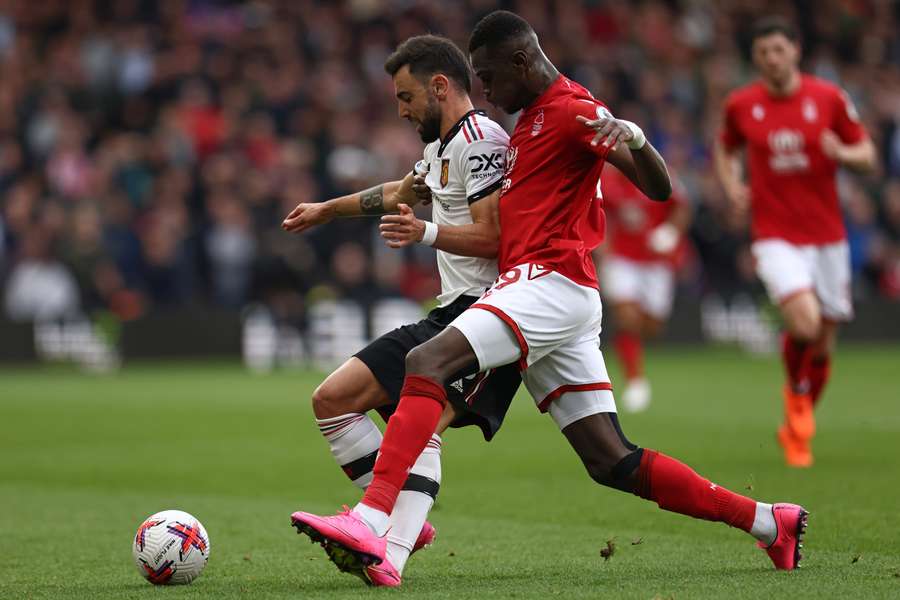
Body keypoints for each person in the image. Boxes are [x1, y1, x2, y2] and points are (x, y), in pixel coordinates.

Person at [292, 10, 808, 578]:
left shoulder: (571, 110)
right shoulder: (526, 124)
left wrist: (636, 138)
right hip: (555, 297)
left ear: (520, 61)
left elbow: (658, 188)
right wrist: (328, 210)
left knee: (427, 361)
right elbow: (414, 187)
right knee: (611, 460)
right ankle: (769, 522)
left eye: (487, 76)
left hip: (549, 280)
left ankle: (373, 519)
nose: (483, 89)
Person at [282, 34, 520, 587]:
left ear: (440, 86)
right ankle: (403, 519)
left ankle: (391, 550)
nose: (401, 108)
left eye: (406, 96)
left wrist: (427, 232)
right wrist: (326, 211)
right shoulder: (442, 147)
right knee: (333, 401)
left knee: (421, 424)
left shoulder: (482, 139)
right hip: (448, 314)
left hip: (489, 318)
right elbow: (398, 193)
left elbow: (498, 237)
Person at [714, 18, 876, 467]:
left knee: (823, 343)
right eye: (763, 52)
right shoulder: (742, 104)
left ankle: (795, 425)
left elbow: (866, 154)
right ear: (756, 59)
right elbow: (725, 149)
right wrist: (731, 186)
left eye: (778, 50)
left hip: (828, 238)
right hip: (775, 235)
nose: (771, 59)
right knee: (803, 325)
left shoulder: (828, 98)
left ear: (796, 51)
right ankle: (797, 396)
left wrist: (841, 153)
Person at [599, 166, 691, 411]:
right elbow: (597, 212)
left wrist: (671, 232)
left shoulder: (660, 174)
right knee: (627, 318)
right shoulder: (607, 182)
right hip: (622, 259)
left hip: (656, 262)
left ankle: (633, 356)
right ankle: (635, 381)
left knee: (652, 326)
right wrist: (602, 248)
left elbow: (682, 206)